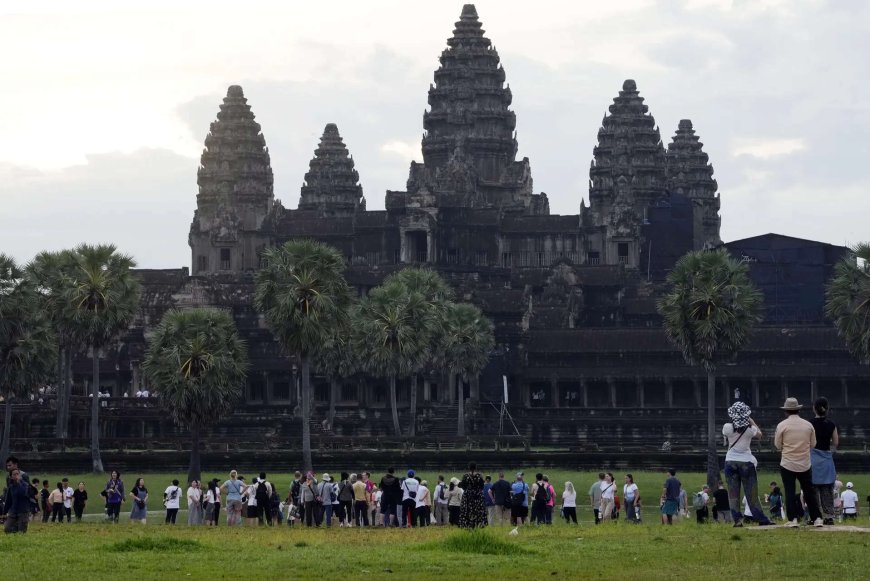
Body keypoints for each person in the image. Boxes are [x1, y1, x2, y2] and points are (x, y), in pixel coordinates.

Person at [775, 397, 823, 527]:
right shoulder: (808, 425)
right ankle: (817, 518)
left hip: (788, 463)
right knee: (809, 491)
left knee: (790, 491)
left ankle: (793, 519)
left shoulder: (782, 425)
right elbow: (813, 444)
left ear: (786, 411)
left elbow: (778, 446)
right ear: (798, 410)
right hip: (805, 463)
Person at [723, 401, 773, 527]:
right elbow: (760, 435)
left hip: (730, 461)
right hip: (746, 462)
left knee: (733, 493)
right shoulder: (750, 430)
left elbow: (726, 436)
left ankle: (737, 520)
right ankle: (760, 518)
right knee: (751, 493)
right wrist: (751, 420)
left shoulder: (727, 427)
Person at [810, 397, 839, 525]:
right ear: (827, 409)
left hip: (813, 458)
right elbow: (836, 443)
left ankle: (815, 516)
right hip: (826, 459)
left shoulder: (809, 424)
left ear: (814, 408)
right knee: (827, 489)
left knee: (813, 489)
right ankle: (829, 516)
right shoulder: (831, 424)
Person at [459, 462, 487, 529]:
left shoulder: (465, 476)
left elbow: (463, 486)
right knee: (478, 511)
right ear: (476, 467)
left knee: (466, 511)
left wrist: (469, 490)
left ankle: (467, 525)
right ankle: (478, 524)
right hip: (478, 496)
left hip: (467, 496)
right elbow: (482, 486)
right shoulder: (479, 476)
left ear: (469, 467)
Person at [2, 468, 30, 534]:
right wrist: (4, 512)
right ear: (11, 477)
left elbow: (24, 494)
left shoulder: (25, 485)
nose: (16, 475)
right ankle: (15, 530)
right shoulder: (11, 487)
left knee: (21, 531)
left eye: (17, 474)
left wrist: (19, 483)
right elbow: (8, 500)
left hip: (23, 511)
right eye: (14, 474)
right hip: (13, 511)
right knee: (7, 528)